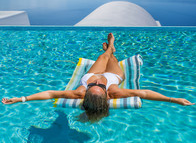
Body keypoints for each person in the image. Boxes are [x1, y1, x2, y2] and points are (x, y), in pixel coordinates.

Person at [2, 33, 194, 121]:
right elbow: (143, 93)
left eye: (94, 86)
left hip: (92, 71)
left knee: (103, 56)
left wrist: (21, 99)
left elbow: (51, 93)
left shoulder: (79, 92)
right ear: (106, 95)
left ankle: (109, 49)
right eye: (98, 87)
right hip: (113, 75)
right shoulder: (113, 90)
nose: (97, 84)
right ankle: (112, 47)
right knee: (112, 58)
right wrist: (174, 99)